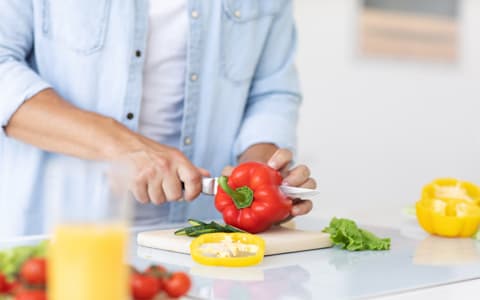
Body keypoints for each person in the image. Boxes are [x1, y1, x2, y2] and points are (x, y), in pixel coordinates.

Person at [0, 0, 316, 237]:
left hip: (201, 242)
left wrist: (261, 176)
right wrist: (122, 146)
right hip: (53, 236)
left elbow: (272, 92)